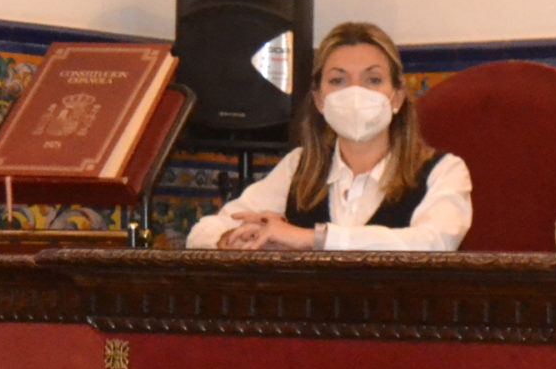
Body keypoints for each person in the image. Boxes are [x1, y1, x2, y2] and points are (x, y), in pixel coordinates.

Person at [183, 21, 471, 252]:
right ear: (319, 101)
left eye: (373, 80)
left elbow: (434, 243)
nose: (355, 92)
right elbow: (203, 231)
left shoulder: (445, 170)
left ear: (396, 97)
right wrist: (239, 238)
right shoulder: (299, 166)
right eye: (338, 80)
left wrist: (313, 239)